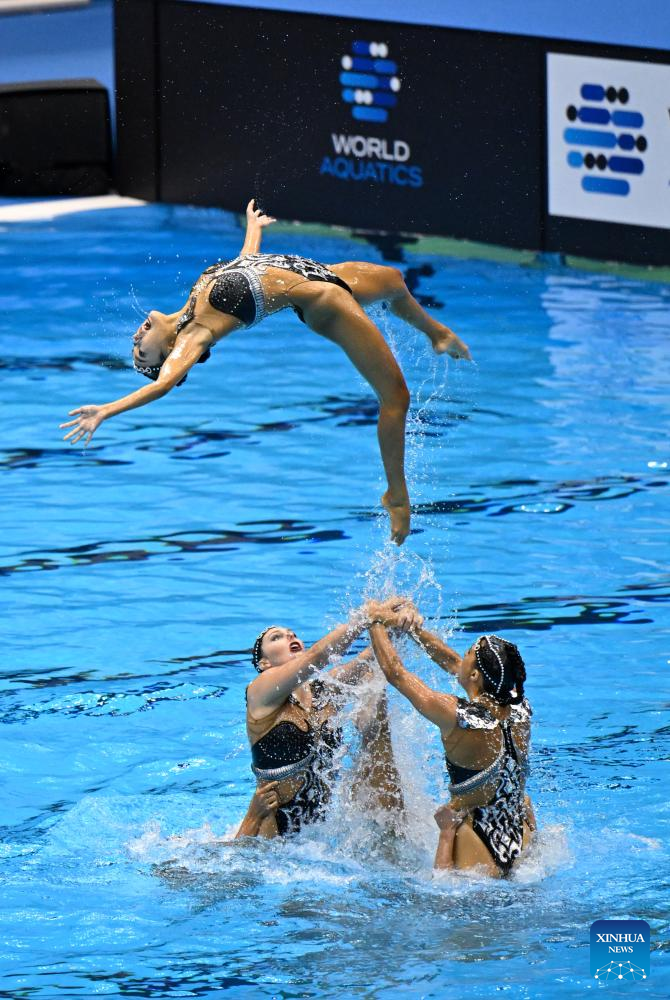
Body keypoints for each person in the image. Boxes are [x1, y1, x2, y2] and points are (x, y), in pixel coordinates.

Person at [61, 201, 471, 544]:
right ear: (167, 353)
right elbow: (166, 383)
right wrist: (106, 411)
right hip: (326, 303)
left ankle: (436, 333)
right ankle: (397, 496)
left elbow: (245, 265)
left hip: (320, 274)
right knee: (396, 399)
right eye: (140, 351)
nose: (136, 337)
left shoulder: (192, 302)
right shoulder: (195, 335)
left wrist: (253, 230)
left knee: (395, 280)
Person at [368, 617, 536, 877]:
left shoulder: (458, 717)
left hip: (475, 839)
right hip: (519, 832)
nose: (462, 656)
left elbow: (396, 673)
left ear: (475, 675)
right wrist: (413, 629)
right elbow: (454, 664)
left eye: (468, 652)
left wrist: (374, 620)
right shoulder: (520, 711)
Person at [244, 597, 417, 838]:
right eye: (277, 637)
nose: (290, 637)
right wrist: (363, 618)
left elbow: (373, 658)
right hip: (266, 834)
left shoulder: (322, 690)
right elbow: (316, 656)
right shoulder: (259, 692)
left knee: (373, 689)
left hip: (315, 839)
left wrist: (400, 623)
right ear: (264, 663)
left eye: (292, 634)